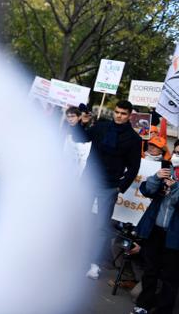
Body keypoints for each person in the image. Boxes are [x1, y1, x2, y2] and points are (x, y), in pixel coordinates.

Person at [76, 100, 142, 280]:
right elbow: (79, 138)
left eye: (123, 113)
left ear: (129, 116)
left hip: (110, 186)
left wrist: (120, 187)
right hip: (89, 181)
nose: (119, 115)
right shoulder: (101, 127)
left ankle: (94, 264)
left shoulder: (134, 139)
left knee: (100, 227)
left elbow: (134, 167)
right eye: (117, 112)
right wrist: (82, 122)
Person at [130, 163, 179, 314]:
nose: (176, 155)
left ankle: (163, 310)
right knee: (150, 270)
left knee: (170, 276)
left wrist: (175, 187)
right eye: (176, 152)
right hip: (155, 231)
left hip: (175, 235)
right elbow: (147, 190)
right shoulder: (167, 171)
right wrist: (156, 178)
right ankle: (143, 305)